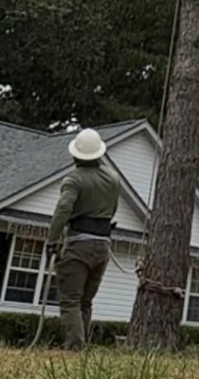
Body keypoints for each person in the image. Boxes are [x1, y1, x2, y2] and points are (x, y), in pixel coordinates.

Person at [47, 129, 120, 350]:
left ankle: (74, 348)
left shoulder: (74, 179)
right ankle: (80, 345)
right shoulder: (113, 178)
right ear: (99, 154)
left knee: (70, 300)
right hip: (103, 245)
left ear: (76, 156)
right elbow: (113, 209)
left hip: (79, 244)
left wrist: (52, 239)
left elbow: (63, 209)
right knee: (85, 302)